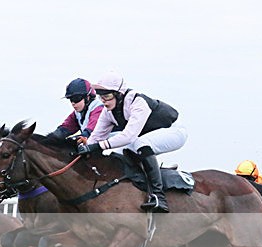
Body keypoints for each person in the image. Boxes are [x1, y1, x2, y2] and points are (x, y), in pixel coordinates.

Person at [77, 71, 187, 213]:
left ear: (119, 94)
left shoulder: (138, 102)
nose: (103, 101)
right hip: (147, 136)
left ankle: (158, 196)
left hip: (174, 132)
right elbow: (96, 137)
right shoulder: (107, 112)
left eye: (107, 96)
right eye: (101, 96)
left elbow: (128, 136)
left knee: (141, 143)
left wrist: (98, 146)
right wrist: (85, 150)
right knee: (116, 152)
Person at [45, 78, 104, 144]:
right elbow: (64, 129)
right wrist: (47, 139)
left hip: (110, 146)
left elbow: (90, 132)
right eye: (71, 99)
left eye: (76, 98)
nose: (73, 103)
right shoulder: (77, 113)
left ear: (87, 97)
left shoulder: (99, 109)